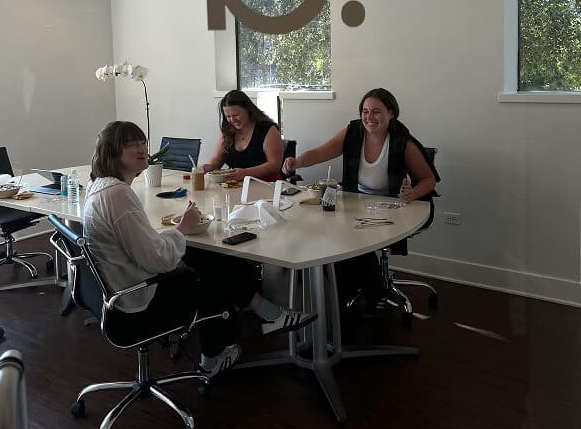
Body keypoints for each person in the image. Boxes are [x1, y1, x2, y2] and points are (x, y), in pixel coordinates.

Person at [84, 121, 316, 377]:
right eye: (131, 145)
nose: (141, 149)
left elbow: (143, 247)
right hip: (137, 299)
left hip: (120, 287)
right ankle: (215, 357)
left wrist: (177, 232)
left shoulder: (101, 187)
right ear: (112, 152)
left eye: (142, 143)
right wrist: (182, 227)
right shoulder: (118, 195)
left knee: (205, 255)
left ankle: (265, 313)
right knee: (214, 273)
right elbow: (157, 261)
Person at [282, 88, 440, 309]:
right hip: (358, 201)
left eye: (376, 111)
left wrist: (411, 193)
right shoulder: (353, 132)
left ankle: (373, 291)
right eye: (365, 111)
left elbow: (428, 180)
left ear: (391, 113)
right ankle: (355, 289)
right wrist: (297, 162)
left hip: (393, 205)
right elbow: (321, 152)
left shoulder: (402, 141)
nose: (369, 117)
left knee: (354, 235)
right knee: (331, 229)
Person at [203, 89, 284, 182]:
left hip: (266, 184)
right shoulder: (227, 130)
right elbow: (217, 159)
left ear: (248, 110)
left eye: (236, 115)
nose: (233, 119)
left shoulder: (267, 129)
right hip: (235, 185)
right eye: (228, 116)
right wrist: (209, 167)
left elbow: (274, 165)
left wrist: (246, 173)